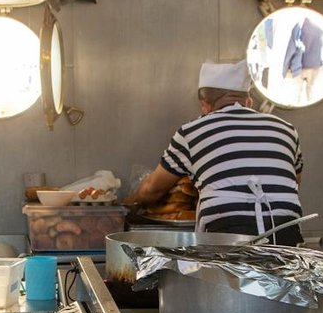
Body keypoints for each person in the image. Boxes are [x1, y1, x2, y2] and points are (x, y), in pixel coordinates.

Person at [126, 59, 305, 244]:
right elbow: (294, 182)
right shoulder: (287, 129)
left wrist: (129, 203)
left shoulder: (191, 132)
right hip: (285, 230)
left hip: (226, 233)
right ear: (249, 101)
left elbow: (151, 190)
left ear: (205, 105)